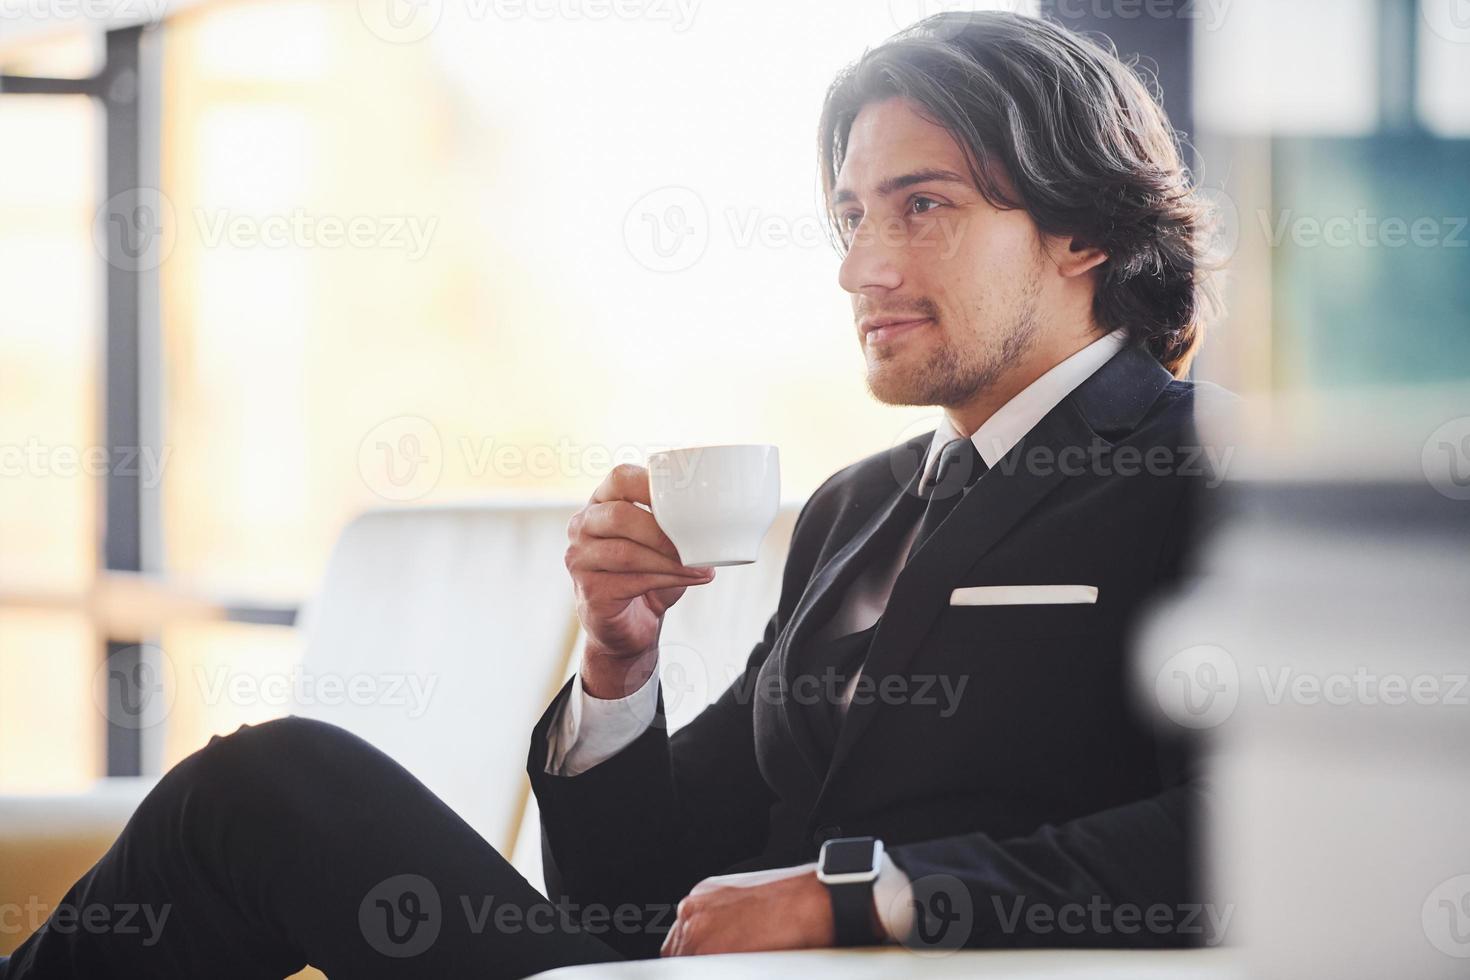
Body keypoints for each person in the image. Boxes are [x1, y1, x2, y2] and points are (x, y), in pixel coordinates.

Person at [1, 10, 1231, 978]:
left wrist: (865, 888)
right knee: (252, 796)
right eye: (850, 214)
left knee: (264, 793)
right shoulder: (858, 507)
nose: (862, 265)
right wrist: (616, 665)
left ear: (1085, 232)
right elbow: (623, 898)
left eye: (925, 207)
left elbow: (1252, 834)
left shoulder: (1215, 477)